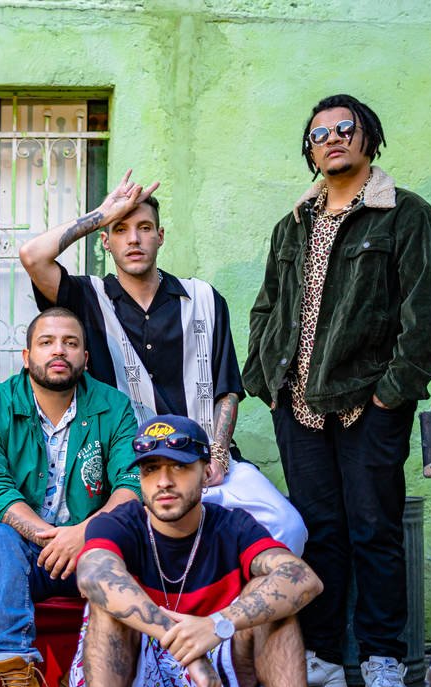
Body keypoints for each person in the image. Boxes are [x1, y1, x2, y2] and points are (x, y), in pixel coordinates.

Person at [243, 94, 431, 687]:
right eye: (319, 133)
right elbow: (267, 307)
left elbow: (426, 317)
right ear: (310, 150)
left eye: (344, 128)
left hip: (369, 401)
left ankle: (384, 657)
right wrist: (267, 381)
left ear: (368, 138)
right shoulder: (292, 225)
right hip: (297, 403)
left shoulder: (406, 215)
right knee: (319, 530)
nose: (331, 138)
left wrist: (391, 394)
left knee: (374, 527)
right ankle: (326, 657)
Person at [71, 415, 366, 687]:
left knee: (272, 596)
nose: (164, 482)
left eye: (179, 467)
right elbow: (93, 576)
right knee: (108, 600)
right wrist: (187, 649)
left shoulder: (233, 526)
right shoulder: (120, 524)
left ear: (206, 470)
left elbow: (303, 579)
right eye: (151, 469)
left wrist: (217, 624)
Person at [19, 173, 306, 554]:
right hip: (132, 468)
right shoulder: (89, 297)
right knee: (137, 549)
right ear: (105, 241)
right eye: (120, 230)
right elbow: (32, 256)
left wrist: (218, 457)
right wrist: (102, 213)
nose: (133, 239)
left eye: (144, 228)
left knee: (287, 526)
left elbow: (227, 391)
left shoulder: (203, 298)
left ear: (160, 236)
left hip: (205, 458)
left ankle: (233, 597)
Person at [0, 307, 140, 687]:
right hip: (29, 548)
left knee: (134, 535)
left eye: (70, 343)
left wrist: (83, 534)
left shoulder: (114, 407)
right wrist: (49, 536)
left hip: (90, 546)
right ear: (27, 357)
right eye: (46, 342)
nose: (58, 351)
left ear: (85, 358)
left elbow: (132, 484)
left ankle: (85, 672)